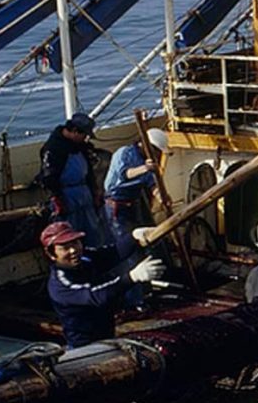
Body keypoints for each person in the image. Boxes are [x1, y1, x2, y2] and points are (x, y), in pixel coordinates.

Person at [42, 221, 163, 349]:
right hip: (86, 346)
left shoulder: (85, 257)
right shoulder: (59, 285)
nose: (73, 250)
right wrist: (132, 277)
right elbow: (96, 296)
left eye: (75, 243)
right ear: (51, 254)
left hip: (107, 334)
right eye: (65, 248)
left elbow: (112, 253)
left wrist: (133, 237)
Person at [37, 113, 110, 247]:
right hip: (66, 197)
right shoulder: (54, 148)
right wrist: (57, 199)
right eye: (84, 135)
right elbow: (48, 178)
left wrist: (95, 191)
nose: (85, 138)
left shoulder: (79, 146)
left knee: (94, 232)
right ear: (75, 131)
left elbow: (89, 172)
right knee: (71, 234)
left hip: (84, 194)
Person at [104, 128, 169, 269]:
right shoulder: (124, 153)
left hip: (134, 203)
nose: (157, 154)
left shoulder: (148, 162)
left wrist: (161, 197)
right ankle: (130, 272)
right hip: (116, 204)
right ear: (146, 145)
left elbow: (151, 184)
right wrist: (145, 168)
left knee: (142, 237)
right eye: (155, 150)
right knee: (124, 240)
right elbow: (125, 174)